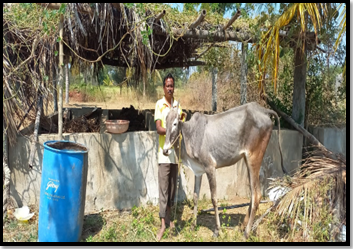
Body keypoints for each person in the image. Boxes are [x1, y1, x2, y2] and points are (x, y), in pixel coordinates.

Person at [154, 73, 184, 241]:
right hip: (164, 154)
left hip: (175, 154)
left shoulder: (177, 107)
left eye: (172, 85)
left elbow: (181, 123)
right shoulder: (159, 105)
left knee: (172, 188)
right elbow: (159, 128)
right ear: (163, 87)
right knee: (163, 189)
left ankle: (170, 219)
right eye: (167, 85)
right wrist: (172, 130)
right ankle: (163, 224)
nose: (170, 88)